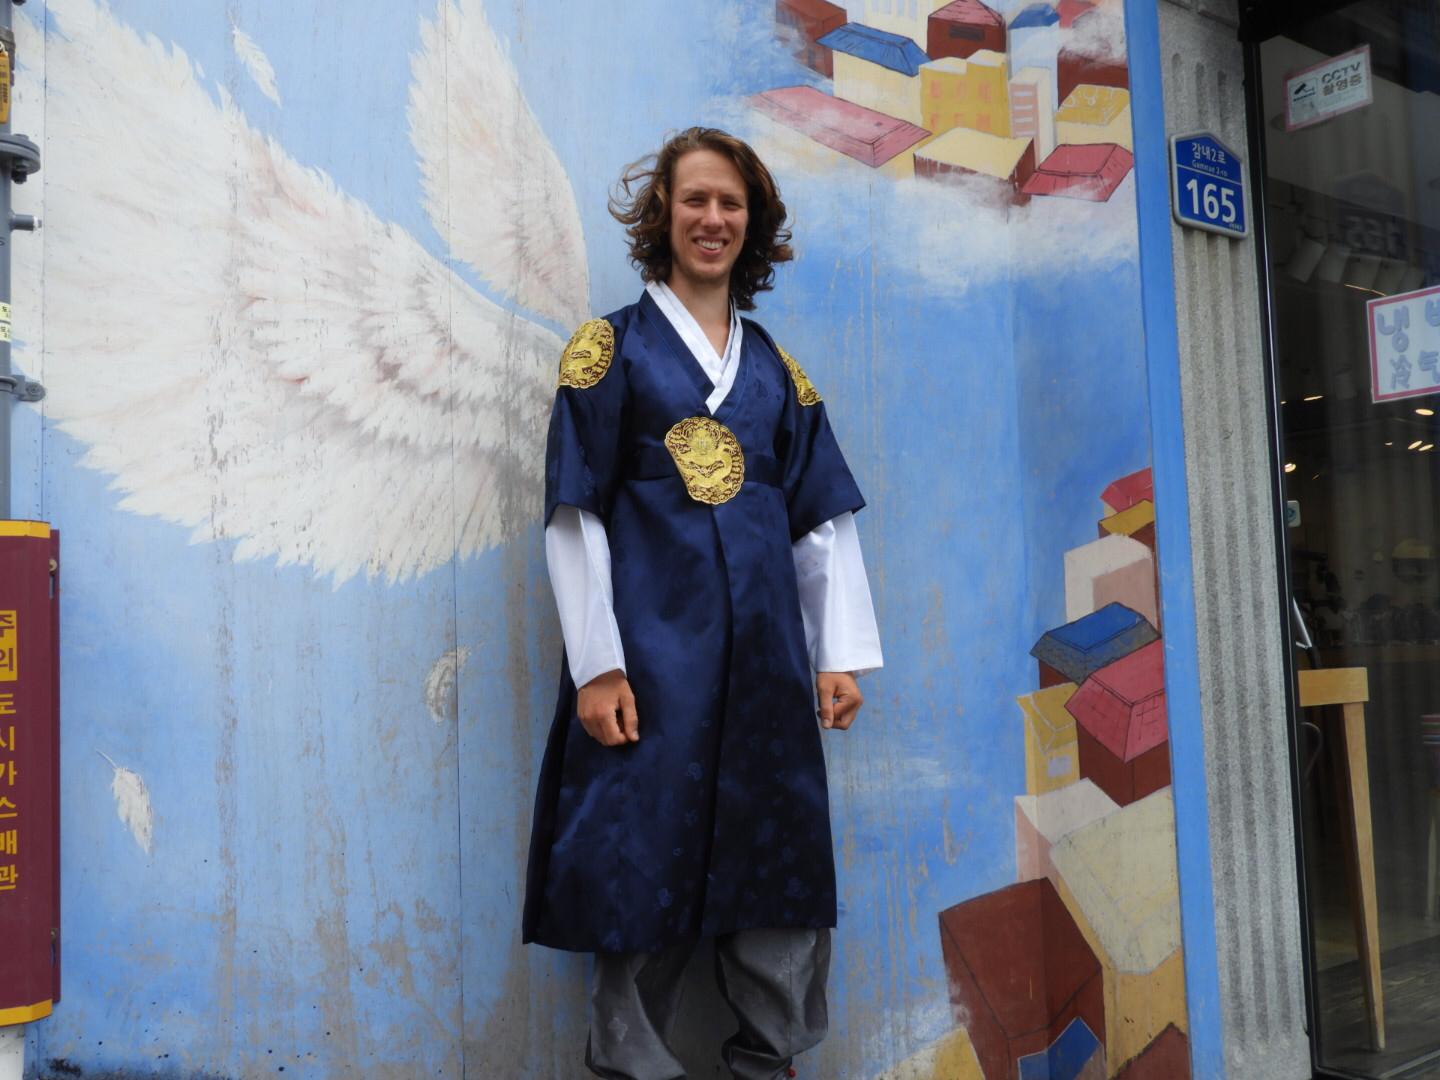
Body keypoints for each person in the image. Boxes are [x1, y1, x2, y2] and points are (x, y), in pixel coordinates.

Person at [523, 126, 883, 1079]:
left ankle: (769, 1064)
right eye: (695, 200)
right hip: (650, 671)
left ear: (751, 222)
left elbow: (819, 520)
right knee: (639, 867)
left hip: (767, 673)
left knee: (775, 876)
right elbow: (574, 515)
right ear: (663, 214)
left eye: (731, 203)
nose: (712, 219)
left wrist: (837, 655)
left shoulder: (776, 371)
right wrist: (597, 665)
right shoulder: (608, 352)